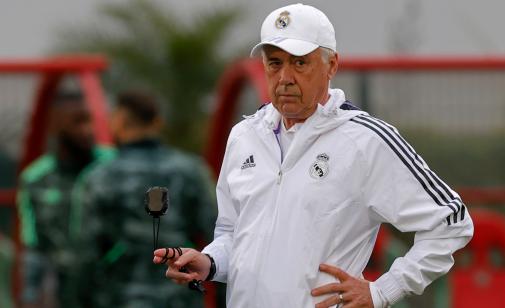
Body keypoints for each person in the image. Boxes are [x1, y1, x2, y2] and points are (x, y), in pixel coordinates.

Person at [154, 3, 474, 307]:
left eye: (300, 62)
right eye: (275, 63)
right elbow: (233, 235)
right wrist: (209, 262)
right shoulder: (244, 136)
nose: (285, 77)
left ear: (331, 65)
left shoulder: (365, 140)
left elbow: (451, 222)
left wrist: (381, 292)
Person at [81, 90, 217, 307]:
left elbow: (86, 251)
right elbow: (216, 235)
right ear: (157, 122)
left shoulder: (100, 176)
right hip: (180, 295)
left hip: (122, 295)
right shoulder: (191, 170)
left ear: (119, 122)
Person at [17, 91, 115, 308]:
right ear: (56, 126)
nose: (88, 130)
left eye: (90, 121)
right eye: (78, 122)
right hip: (67, 291)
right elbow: (34, 245)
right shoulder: (36, 178)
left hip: (117, 288)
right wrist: (30, 296)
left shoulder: (113, 166)